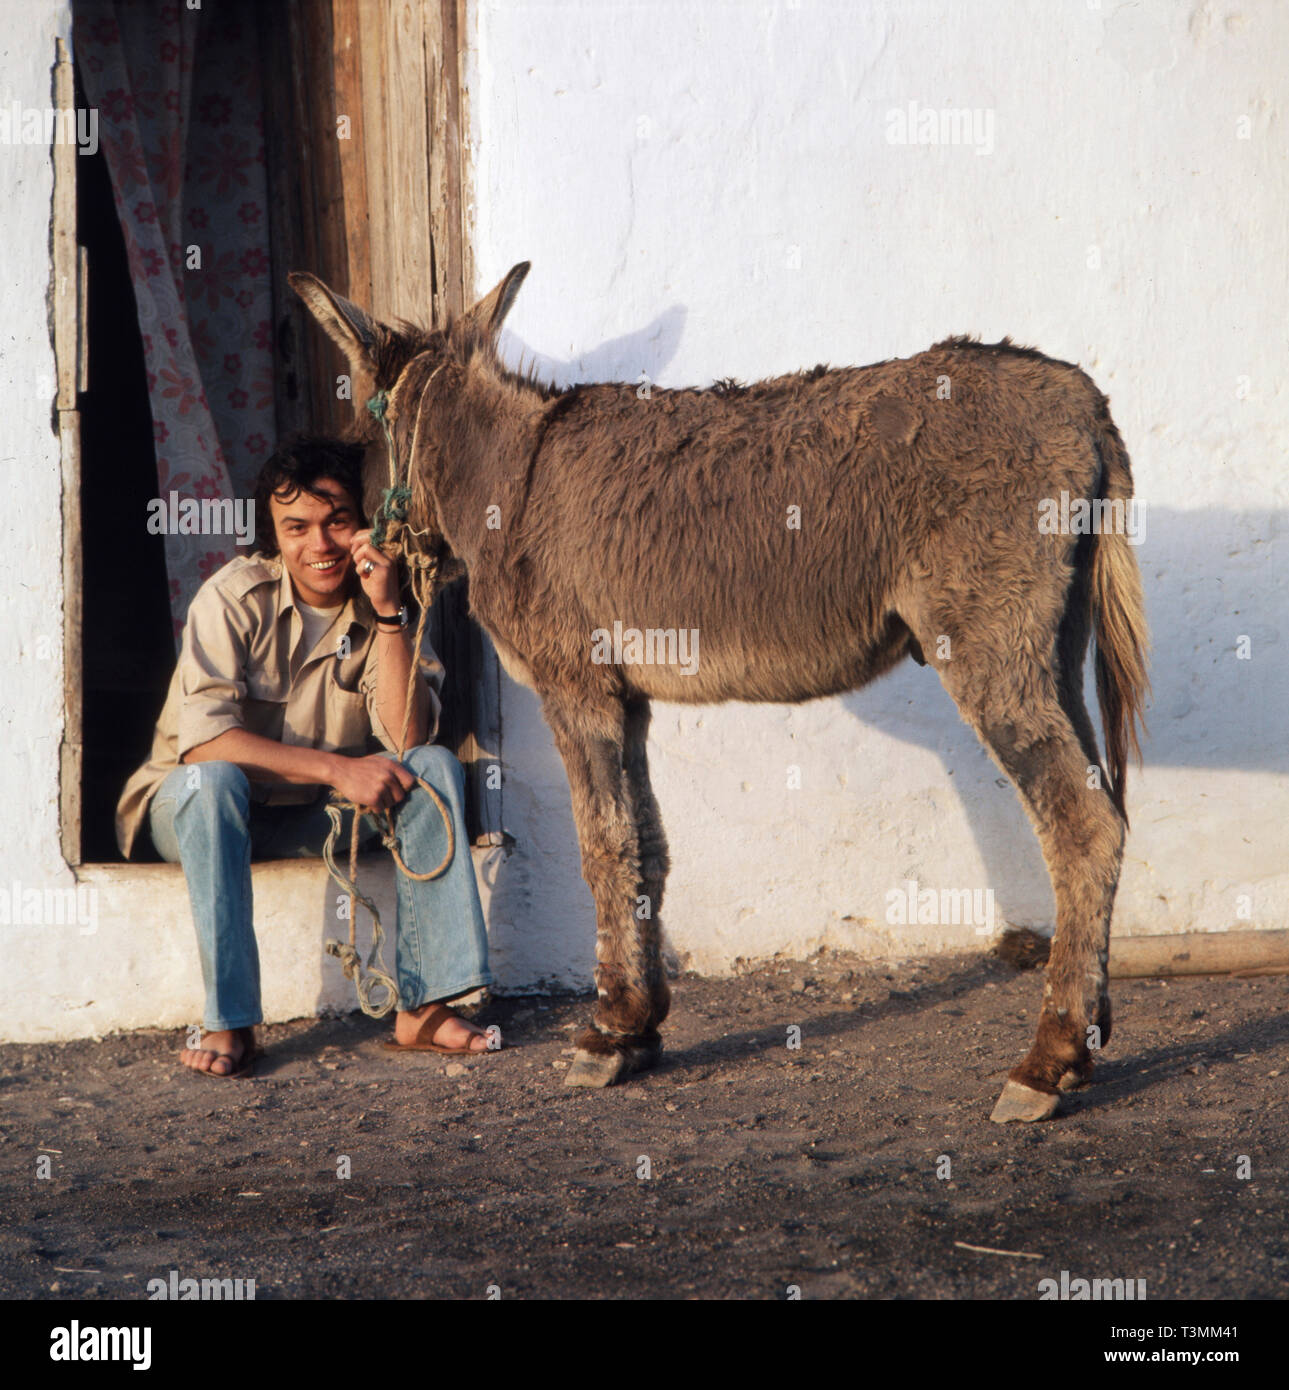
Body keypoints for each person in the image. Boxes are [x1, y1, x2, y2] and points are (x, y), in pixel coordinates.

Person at [116, 436, 495, 1076]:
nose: (317, 545)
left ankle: (424, 1006)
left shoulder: (388, 604)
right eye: (296, 527)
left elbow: (408, 737)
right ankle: (229, 1020)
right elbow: (205, 743)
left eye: (336, 522)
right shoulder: (232, 599)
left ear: (363, 525)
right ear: (274, 531)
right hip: (199, 812)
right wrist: (339, 769)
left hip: (309, 819)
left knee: (431, 771)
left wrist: (388, 612)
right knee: (212, 784)